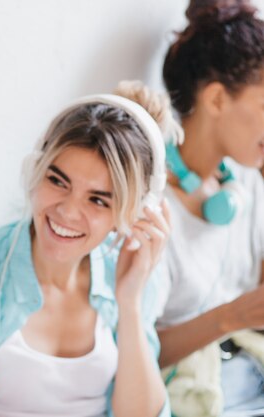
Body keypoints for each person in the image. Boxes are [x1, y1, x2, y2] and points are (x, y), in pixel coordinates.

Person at [0, 82, 176, 417]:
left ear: (134, 213)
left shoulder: (131, 280)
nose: (66, 212)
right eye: (57, 181)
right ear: (33, 170)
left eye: (97, 199)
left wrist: (130, 303)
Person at [149, 0, 264, 414]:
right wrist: (230, 316)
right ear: (216, 100)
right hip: (195, 392)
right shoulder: (151, 204)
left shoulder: (246, 180)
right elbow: (136, 353)